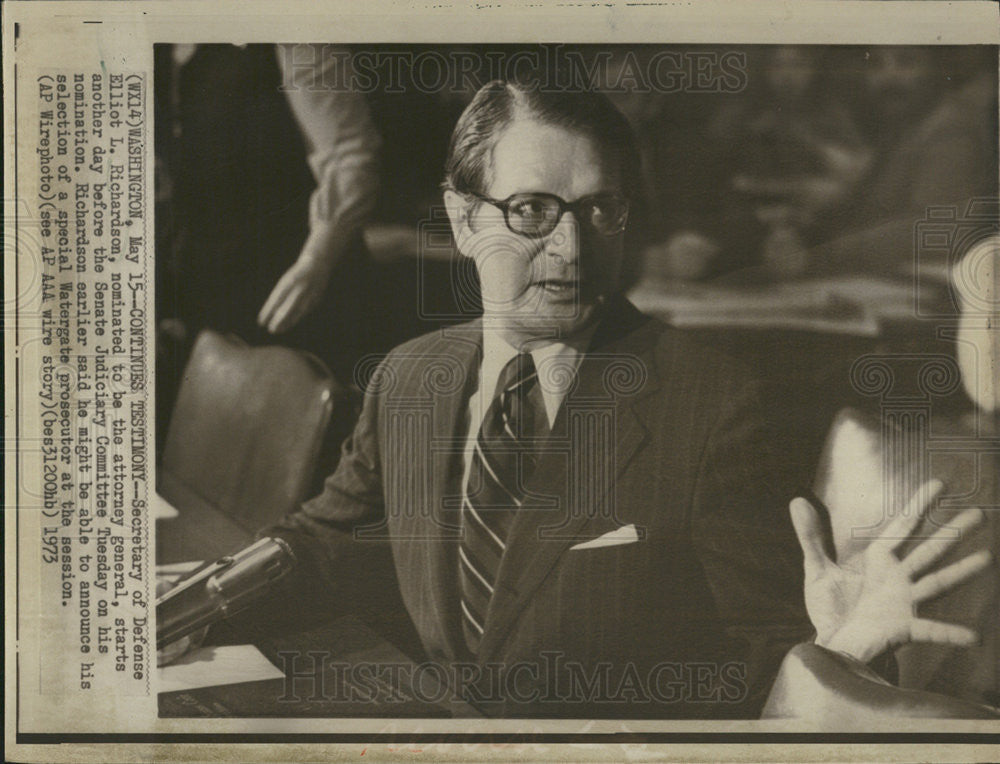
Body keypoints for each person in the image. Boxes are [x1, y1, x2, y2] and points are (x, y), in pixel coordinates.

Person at [174, 81, 992, 718]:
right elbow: (319, 543)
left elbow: (765, 659)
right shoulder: (409, 376)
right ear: (464, 220)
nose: (568, 249)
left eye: (599, 209)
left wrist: (839, 655)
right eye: (531, 210)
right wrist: (195, 603)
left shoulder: (710, 404)